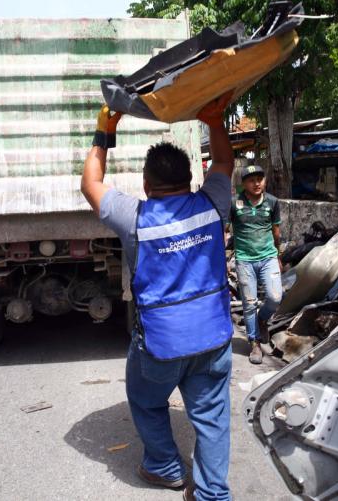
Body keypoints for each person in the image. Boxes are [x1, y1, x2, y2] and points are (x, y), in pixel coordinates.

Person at [81, 96, 235, 501]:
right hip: (213, 337)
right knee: (212, 418)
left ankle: (165, 466)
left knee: (146, 400)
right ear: (190, 178)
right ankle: (212, 494)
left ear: (147, 185)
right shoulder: (214, 203)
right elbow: (223, 165)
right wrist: (214, 121)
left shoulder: (135, 218)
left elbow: (91, 184)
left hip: (160, 345)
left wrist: (104, 132)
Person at [229, 165, 283, 364]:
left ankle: (262, 319)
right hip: (244, 260)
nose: (257, 183)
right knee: (249, 303)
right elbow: (226, 230)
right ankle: (254, 343)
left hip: (268, 256)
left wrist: (279, 254)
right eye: (251, 180)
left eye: (260, 178)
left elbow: (276, 231)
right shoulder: (234, 203)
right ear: (243, 183)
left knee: (275, 296)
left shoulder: (272, 202)